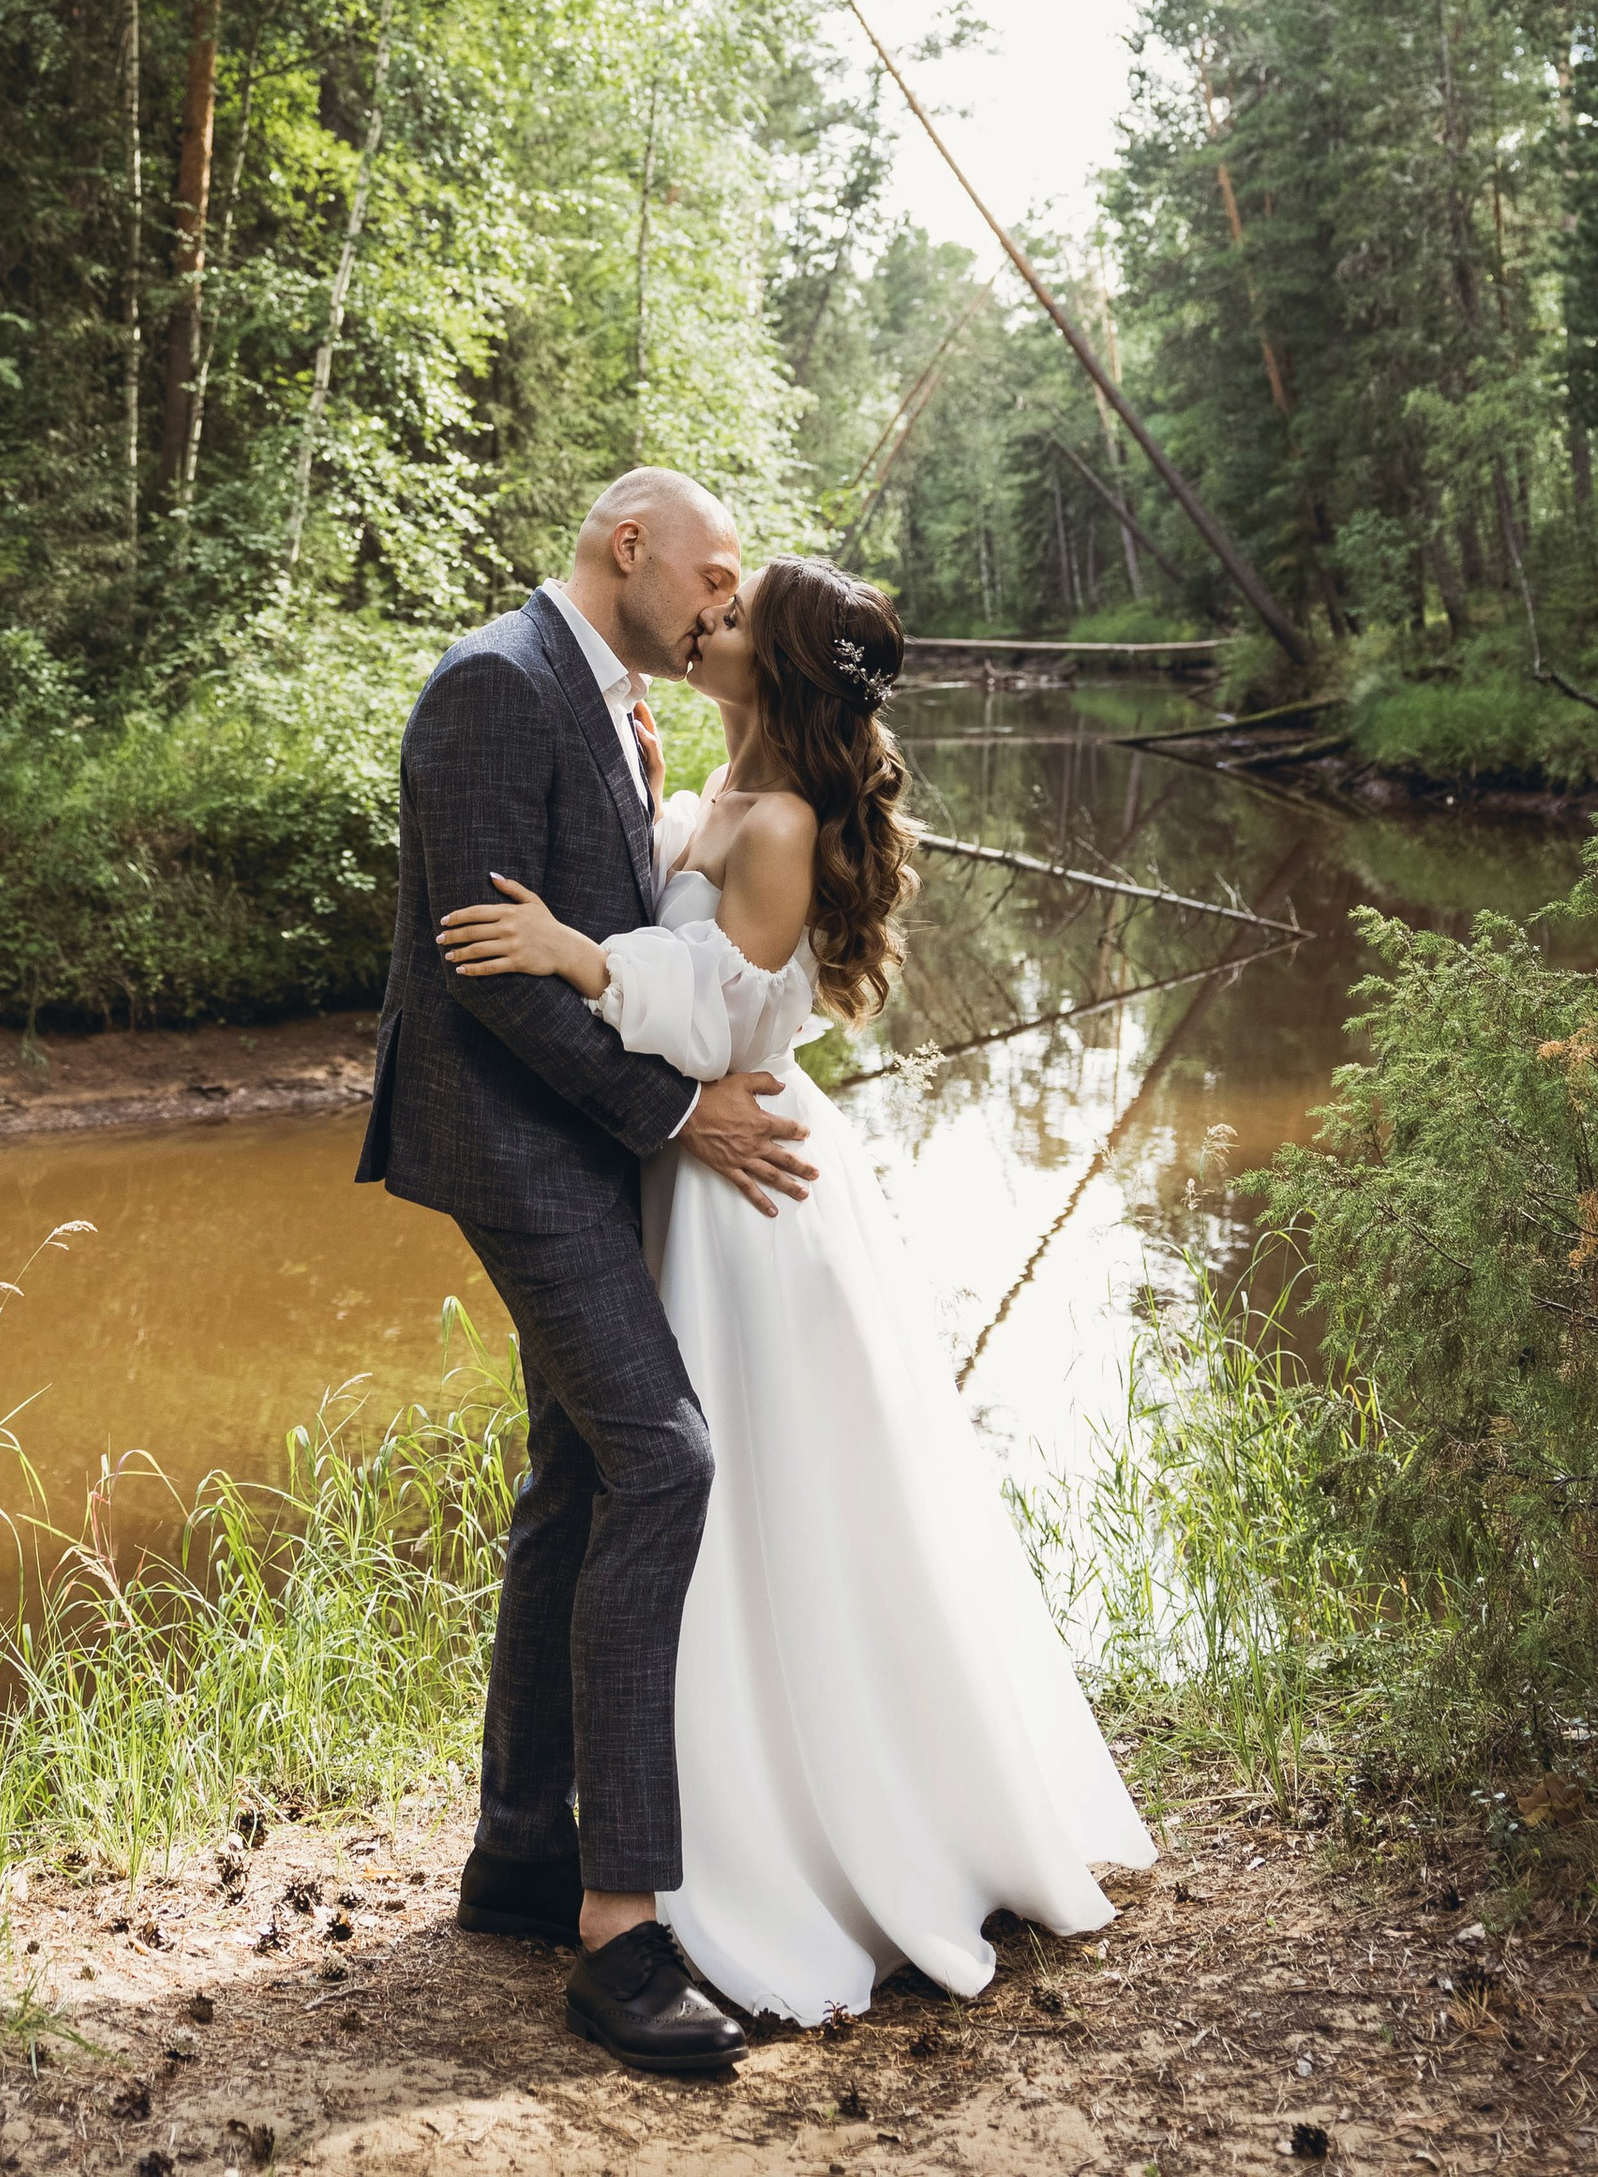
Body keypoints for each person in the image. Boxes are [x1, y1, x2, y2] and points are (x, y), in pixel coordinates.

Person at [438, 553, 1156, 2029]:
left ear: (774, 667)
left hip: (742, 1181)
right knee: (657, 1485)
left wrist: (571, 954)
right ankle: (588, 1827)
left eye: (735, 616)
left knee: (741, 1495)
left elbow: (708, 1013)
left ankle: (779, 1832)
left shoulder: (777, 823)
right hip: (693, 1173)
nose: (709, 622)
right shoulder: (725, 787)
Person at [355, 469, 817, 2079]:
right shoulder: (496, 683)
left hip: (580, 1137)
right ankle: (620, 1933)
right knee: (662, 1462)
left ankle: (516, 1859)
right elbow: (492, 983)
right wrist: (680, 1111)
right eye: (713, 569)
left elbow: (633, 945)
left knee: (571, 1478)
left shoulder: (615, 698)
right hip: (517, 1142)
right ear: (632, 548)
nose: (721, 599)